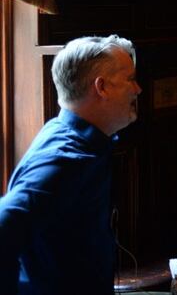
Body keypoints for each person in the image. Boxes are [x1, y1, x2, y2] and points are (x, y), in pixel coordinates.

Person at [0, 35, 142, 295]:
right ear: (102, 87)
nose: (138, 89)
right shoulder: (66, 159)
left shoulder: (78, 138)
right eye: (130, 79)